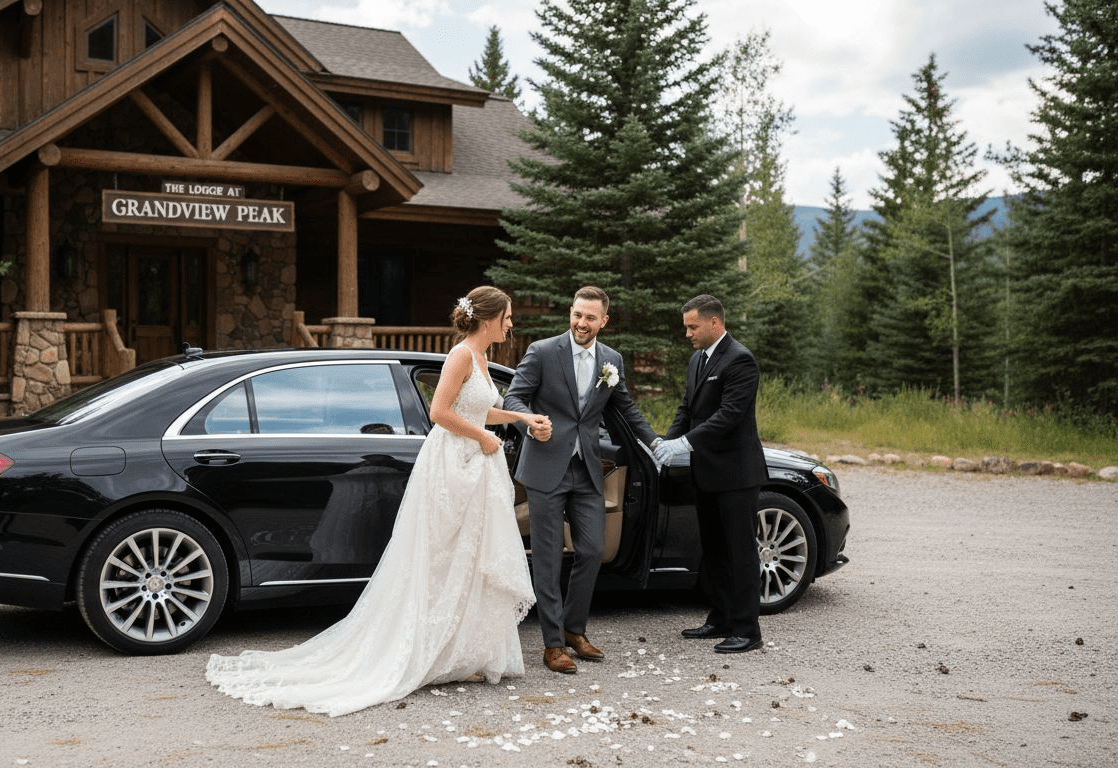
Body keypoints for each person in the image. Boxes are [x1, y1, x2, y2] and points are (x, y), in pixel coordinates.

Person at [205, 286, 547, 716]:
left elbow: (478, 409)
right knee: (440, 558)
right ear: (489, 318)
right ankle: (428, 653)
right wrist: (482, 437)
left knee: (469, 556)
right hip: (452, 463)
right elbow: (440, 412)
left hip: (475, 465)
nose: (512, 324)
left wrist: (517, 417)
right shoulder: (461, 354)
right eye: (508, 316)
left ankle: (458, 654)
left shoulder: (479, 358)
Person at [503, 285, 660, 674]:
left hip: (587, 468)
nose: (581, 323)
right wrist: (530, 421)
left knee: (592, 550)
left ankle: (575, 630)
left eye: (590, 317)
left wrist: (655, 442)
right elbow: (514, 399)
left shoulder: (612, 360)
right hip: (545, 468)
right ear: (570, 313)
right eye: (577, 314)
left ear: (603, 321)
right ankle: (553, 644)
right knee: (548, 555)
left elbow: (625, 408)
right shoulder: (542, 351)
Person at [654, 294, 768, 654]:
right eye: (686, 326)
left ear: (714, 323)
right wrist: (662, 444)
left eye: (693, 326)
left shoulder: (741, 360)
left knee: (741, 552)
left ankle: (748, 631)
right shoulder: (697, 359)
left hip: (736, 475)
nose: (687, 332)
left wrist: (684, 444)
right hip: (706, 473)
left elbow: (729, 416)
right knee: (714, 551)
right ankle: (720, 619)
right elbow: (687, 409)